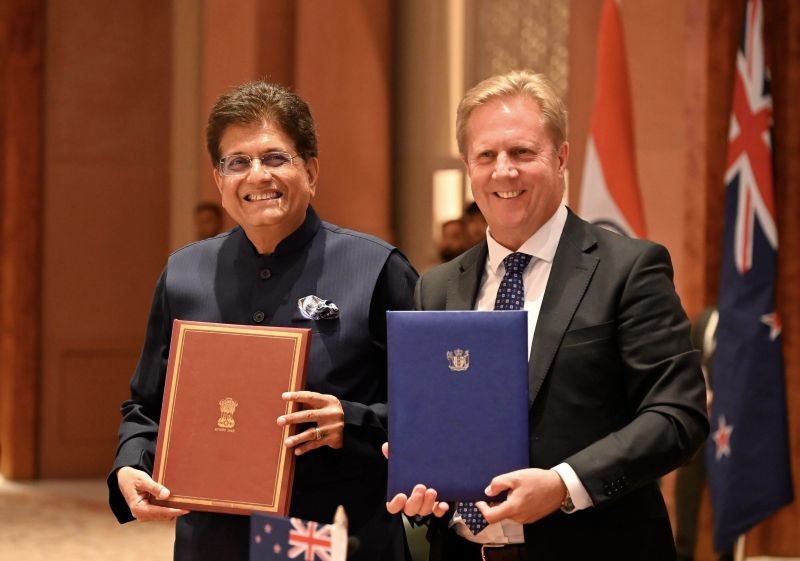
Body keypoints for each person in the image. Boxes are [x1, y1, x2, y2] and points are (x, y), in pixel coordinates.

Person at [386, 70, 709, 560]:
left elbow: (678, 416)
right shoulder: (436, 286)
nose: (504, 171)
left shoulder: (629, 269)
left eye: (522, 152)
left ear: (560, 157)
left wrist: (563, 484)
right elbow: (436, 421)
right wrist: (420, 475)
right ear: (468, 166)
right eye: (486, 155)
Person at [109, 81, 418, 561]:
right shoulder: (184, 274)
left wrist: (353, 422)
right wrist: (131, 462)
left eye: (275, 158)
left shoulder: (377, 269)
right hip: (213, 543)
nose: (257, 175)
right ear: (219, 179)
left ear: (310, 171)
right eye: (237, 162)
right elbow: (147, 406)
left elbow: (431, 411)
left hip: (339, 537)